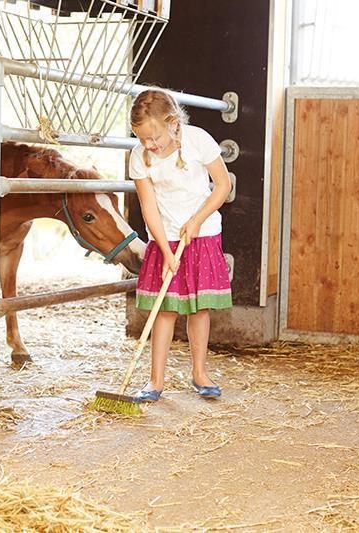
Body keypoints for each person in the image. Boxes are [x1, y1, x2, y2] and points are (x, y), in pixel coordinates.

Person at [128, 88, 233, 402]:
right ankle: (155, 381)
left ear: (173, 122)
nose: (149, 144)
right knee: (165, 309)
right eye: (142, 138)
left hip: (201, 234)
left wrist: (198, 219)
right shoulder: (140, 156)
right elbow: (148, 206)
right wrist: (164, 249)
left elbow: (223, 185)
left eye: (154, 137)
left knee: (199, 307)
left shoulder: (198, 139)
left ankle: (199, 373)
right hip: (167, 235)